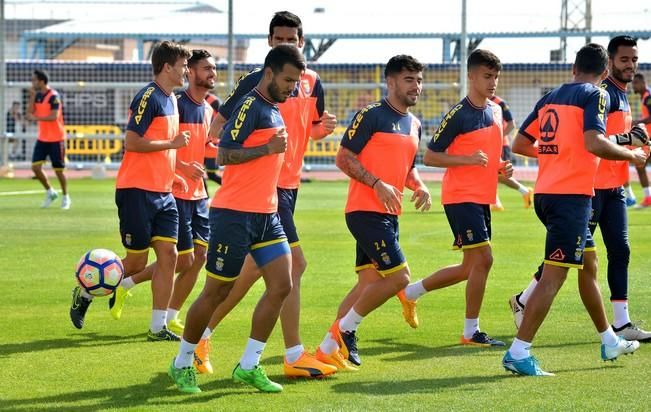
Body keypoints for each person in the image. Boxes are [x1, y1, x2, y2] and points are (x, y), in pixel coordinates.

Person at [194, 11, 338, 379]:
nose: (286, 42)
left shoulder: (311, 82)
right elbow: (220, 126)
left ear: (301, 42)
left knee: (254, 271)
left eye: (292, 38)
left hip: (289, 186)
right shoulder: (256, 82)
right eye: (279, 38)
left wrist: (323, 129)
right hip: (262, 188)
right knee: (293, 266)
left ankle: (202, 338)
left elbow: (308, 131)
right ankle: (292, 354)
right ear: (270, 42)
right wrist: (244, 149)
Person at [168, 44, 312, 394]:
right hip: (233, 214)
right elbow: (224, 154)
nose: (292, 88)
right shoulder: (251, 106)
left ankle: (249, 365)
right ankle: (183, 361)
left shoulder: (275, 108)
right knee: (217, 291)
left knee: (282, 284)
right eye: (287, 80)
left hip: (267, 214)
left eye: (295, 82)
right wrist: (266, 149)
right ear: (269, 74)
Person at [502, 43, 646, 376]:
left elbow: (520, 144)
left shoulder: (550, 96)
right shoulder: (596, 95)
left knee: (589, 264)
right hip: (571, 197)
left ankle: (609, 339)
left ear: (572, 68)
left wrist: (557, 154)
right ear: (605, 72)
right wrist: (631, 155)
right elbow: (594, 142)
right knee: (554, 277)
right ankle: (518, 352)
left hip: (548, 193)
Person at [68, 41, 191, 338]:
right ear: (166, 67)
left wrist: (175, 173)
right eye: (183, 65)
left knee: (170, 256)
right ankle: (85, 291)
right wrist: (173, 145)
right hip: (136, 191)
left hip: (163, 193)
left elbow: (162, 146)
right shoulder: (148, 96)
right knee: (136, 262)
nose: (186, 70)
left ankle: (157, 327)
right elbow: (132, 142)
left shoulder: (172, 99)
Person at [315, 54, 431, 370]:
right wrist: (377, 183)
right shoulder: (371, 115)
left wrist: (418, 185)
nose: (416, 87)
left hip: (389, 215)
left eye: (419, 80)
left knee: (367, 283)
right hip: (365, 211)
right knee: (399, 278)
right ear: (390, 82)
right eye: (409, 80)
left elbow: (408, 167)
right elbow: (343, 158)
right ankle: (346, 329)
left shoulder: (416, 124)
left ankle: (327, 347)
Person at [400, 49, 511, 348]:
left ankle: (411, 293)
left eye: (496, 77)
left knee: (469, 267)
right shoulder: (458, 114)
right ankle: (470, 332)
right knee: (484, 260)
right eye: (487, 76)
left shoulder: (497, 110)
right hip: (461, 197)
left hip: (482, 197)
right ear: (471, 76)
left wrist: (501, 167)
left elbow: (488, 154)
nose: (493, 82)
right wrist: (468, 159)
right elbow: (431, 156)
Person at [108, 49, 217, 337]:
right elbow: (139, 142)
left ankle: (163, 322)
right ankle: (104, 285)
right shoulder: (159, 98)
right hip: (148, 190)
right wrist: (177, 161)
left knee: (184, 257)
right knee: (146, 262)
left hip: (182, 192)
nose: (212, 74)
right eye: (186, 66)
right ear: (175, 68)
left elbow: (195, 148)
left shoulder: (196, 106)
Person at [26, 70, 70, 209]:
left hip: (57, 138)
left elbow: (54, 116)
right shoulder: (37, 96)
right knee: (35, 167)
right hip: (43, 138)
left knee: (58, 170)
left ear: (41, 81)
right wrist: (32, 97)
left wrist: (36, 118)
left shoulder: (54, 96)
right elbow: (29, 113)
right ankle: (50, 192)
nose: (32, 83)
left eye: (34, 80)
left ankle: (65, 197)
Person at [489, 95, 533, 211]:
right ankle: (495, 202)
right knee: (490, 172)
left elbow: (511, 124)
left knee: (499, 174)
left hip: (501, 145)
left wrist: (497, 138)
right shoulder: (478, 102)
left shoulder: (499, 102)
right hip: (487, 144)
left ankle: (523, 191)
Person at [631, 72, 651, 206]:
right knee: (640, 165)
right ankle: (648, 198)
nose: (633, 86)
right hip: (648, 137)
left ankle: (648, 198)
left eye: (636, 83)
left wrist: (637, 122)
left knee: (640, 164)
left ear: (643, 83)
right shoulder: (645, 96)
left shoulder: (648, 97)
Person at [204, 92, 222, 185]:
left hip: (212, 142)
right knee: (199, 174)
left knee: (211, 174)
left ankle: (233, 189)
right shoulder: (194, 100)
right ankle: (205, 198)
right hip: (201, 142)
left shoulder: (214, 101)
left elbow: (224, 119)